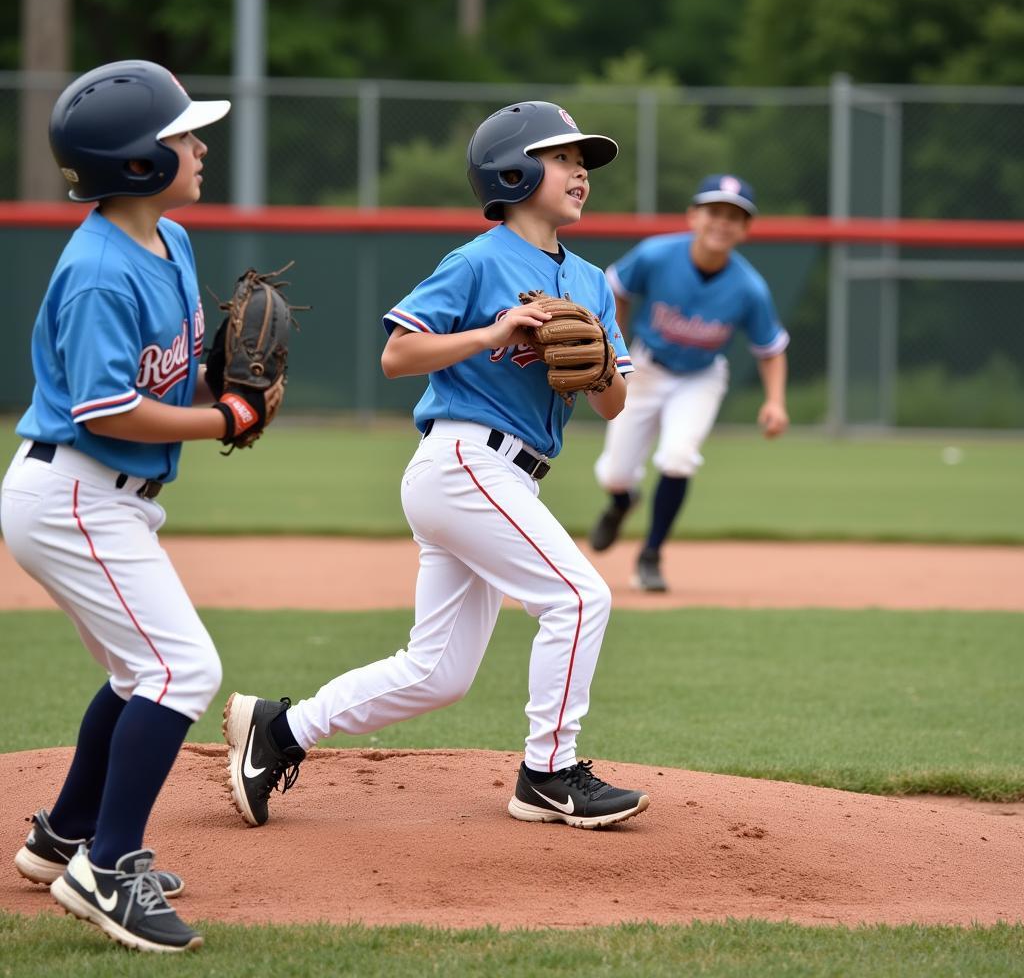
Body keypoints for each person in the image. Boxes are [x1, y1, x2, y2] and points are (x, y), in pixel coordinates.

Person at [223, 101, 650, 832]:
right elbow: (397, 355)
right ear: (513, 171)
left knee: (437, 673)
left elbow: (615, 407)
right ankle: (548, 773)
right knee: (579, 599)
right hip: (463, 459)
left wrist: (602, 364)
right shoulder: (478, 260)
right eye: (563, 158)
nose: (581, 171)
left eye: (585, 162)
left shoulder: (589, 282)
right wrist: (495, 331)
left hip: (505, 476)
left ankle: (278, 731)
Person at [1, 60, 276, 953]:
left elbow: (175, 367)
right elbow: (107, 407)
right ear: (136, 163)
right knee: (181, 672)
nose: (199, 146)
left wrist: (221, 383)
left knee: (138, 671)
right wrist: (223, 414)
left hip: (105, 497)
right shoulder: (96, 273)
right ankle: (108, 869)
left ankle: (62, 839)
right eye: (182, 136)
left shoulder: (172, 241)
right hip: (73, 490)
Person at [588, 174, 790, 591]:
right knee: (615, 474)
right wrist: (613, 343)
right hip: (645, 367)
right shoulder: (657, 255)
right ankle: (622, 501)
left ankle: (651, 555)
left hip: (701, 377)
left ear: (746, 229)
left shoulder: (750, 288)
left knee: (679, 457)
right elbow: (615, 289)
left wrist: (775, 402)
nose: (722, 223)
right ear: (693, 216)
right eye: (714, 212)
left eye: (734, 217)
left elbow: (770, 349)